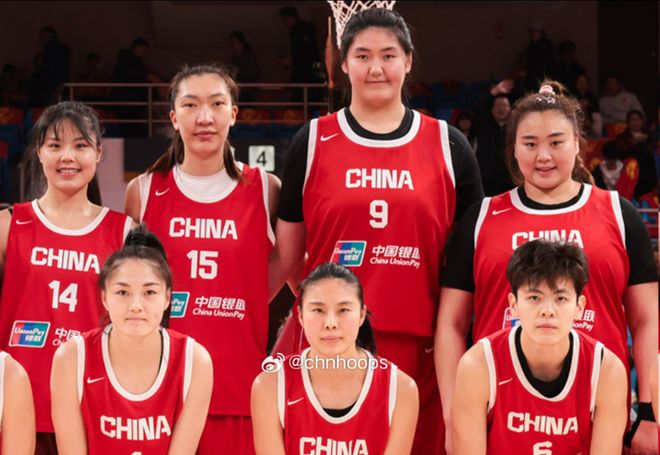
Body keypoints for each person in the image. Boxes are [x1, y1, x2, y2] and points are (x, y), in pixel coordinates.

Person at [270, 8, 483, 454]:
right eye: (362, 55)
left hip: (421, 352)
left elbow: (470, 268)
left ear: (408, 60)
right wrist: (323, 308)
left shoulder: (449, 146)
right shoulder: (313, 140)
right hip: (327, 344)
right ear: (344, 64)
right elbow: (288, 257)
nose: (376, 68)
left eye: (388, 55)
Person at [436, 81, 658, 454]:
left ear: (577, 143)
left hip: (597, 414)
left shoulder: (620, 214)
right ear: (513, 148)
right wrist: (452, 416)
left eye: (556, 142)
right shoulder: (482, 218)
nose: (543, 156)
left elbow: (648, 319)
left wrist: (649, 412)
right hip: (498, 416)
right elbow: (451, 324)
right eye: (530, 144)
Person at [124, 63, 280, 455]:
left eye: (216, 104)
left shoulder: (265, 188)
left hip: (238, 389)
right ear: (174, 118)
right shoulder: (143, 190)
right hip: (158, 391)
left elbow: (291, 269)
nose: (204, 117)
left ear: (234, 113)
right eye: (191, 105)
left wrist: (249, 298)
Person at [0, 101, 133, 454]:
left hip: (93, 410)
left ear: (98, 153)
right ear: (39, 153)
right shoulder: (9, 225)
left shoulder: (123, 232)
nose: (67, 157)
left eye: (80, 145)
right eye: (55, 145)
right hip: (17, 410)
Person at [451, 240, 627, 454]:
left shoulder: (607, 371)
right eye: (534, 297)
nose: (547, 310)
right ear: (513, 304)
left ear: (579, 307)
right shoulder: (478, 366)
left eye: (560, 298)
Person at [51, 227, 213, 453]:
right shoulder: (71, 358)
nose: (136, 305)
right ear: (104, 298)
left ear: (167, 298)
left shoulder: (195, 361)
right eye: (123, 292)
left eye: (149, 292)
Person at [252, 262, 419, 455]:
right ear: (300, 316)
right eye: (318, 310)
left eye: (343, 310)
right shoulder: (269, 386)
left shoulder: (400, 390)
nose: (330, 323)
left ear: (362, 315)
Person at [474, 80, 515, 196]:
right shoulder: (484, 125)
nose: (501, 109)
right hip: (486, 178)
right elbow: (479, 107)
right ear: (491, 110)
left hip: (508, 178)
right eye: (497, 105)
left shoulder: (514, 129)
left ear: (510, 109)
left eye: (504, 105)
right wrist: (495, 91)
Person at [279, 6, 325, 102]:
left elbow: (306, 55)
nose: (285, 24)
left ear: (291, 18)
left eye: (285, 21)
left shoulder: (300, 31)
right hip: (309, 75)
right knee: (306, 103)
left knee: (304, 103)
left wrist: (292, 61)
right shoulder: (302, 31)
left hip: (307, 77)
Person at [228, 31, 260, 102]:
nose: (232, 45)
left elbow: (255, 72)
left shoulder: (249, 56)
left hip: (247, 91)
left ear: (240, 42)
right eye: (231, 42)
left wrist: (239, 72)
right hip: (238, 91)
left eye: (233, 42)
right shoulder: (234, 59)